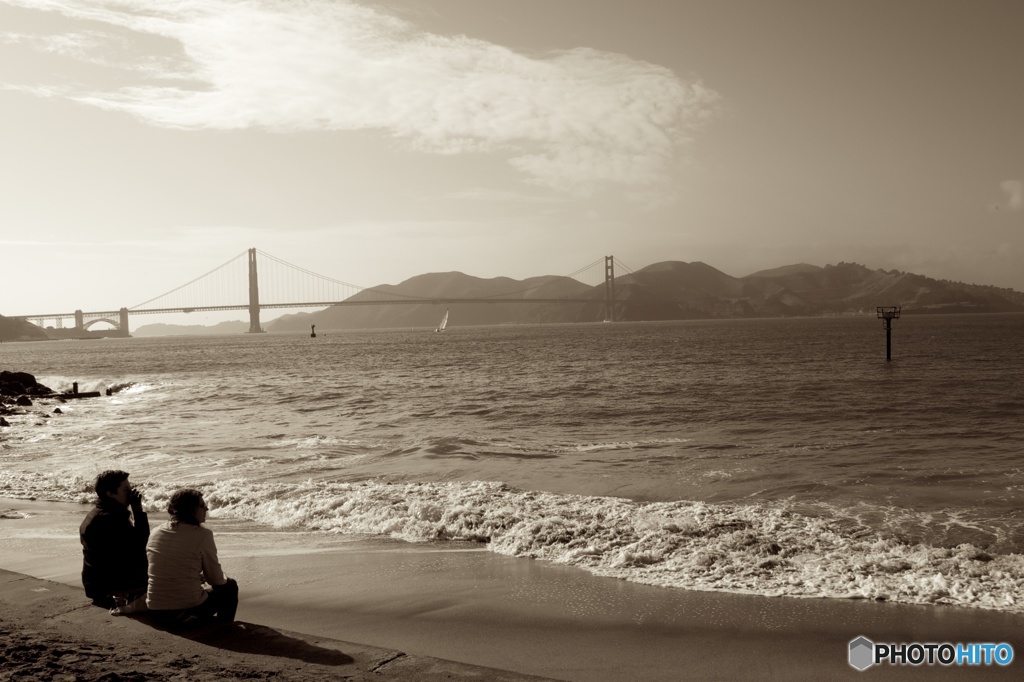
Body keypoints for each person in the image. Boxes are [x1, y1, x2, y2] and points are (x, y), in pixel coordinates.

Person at [146, 488, 238, 625]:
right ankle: (223, 628)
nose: (207, 508)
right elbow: (216, 580)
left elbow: (169, 567)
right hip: (185, 611)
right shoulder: (202, 535)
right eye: (202, 505)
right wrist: (214, 576)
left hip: (155, 610)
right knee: (230, 586)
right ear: (190, 509)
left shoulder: (155, 532)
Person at [79, 470, 150, 609]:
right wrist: (137, 510)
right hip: (109, 589)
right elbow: (142, 544)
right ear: (110, 493)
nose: (131, 494)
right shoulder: (110, 519)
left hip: (95, 585)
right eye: (126, 490)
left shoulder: (98, 513)